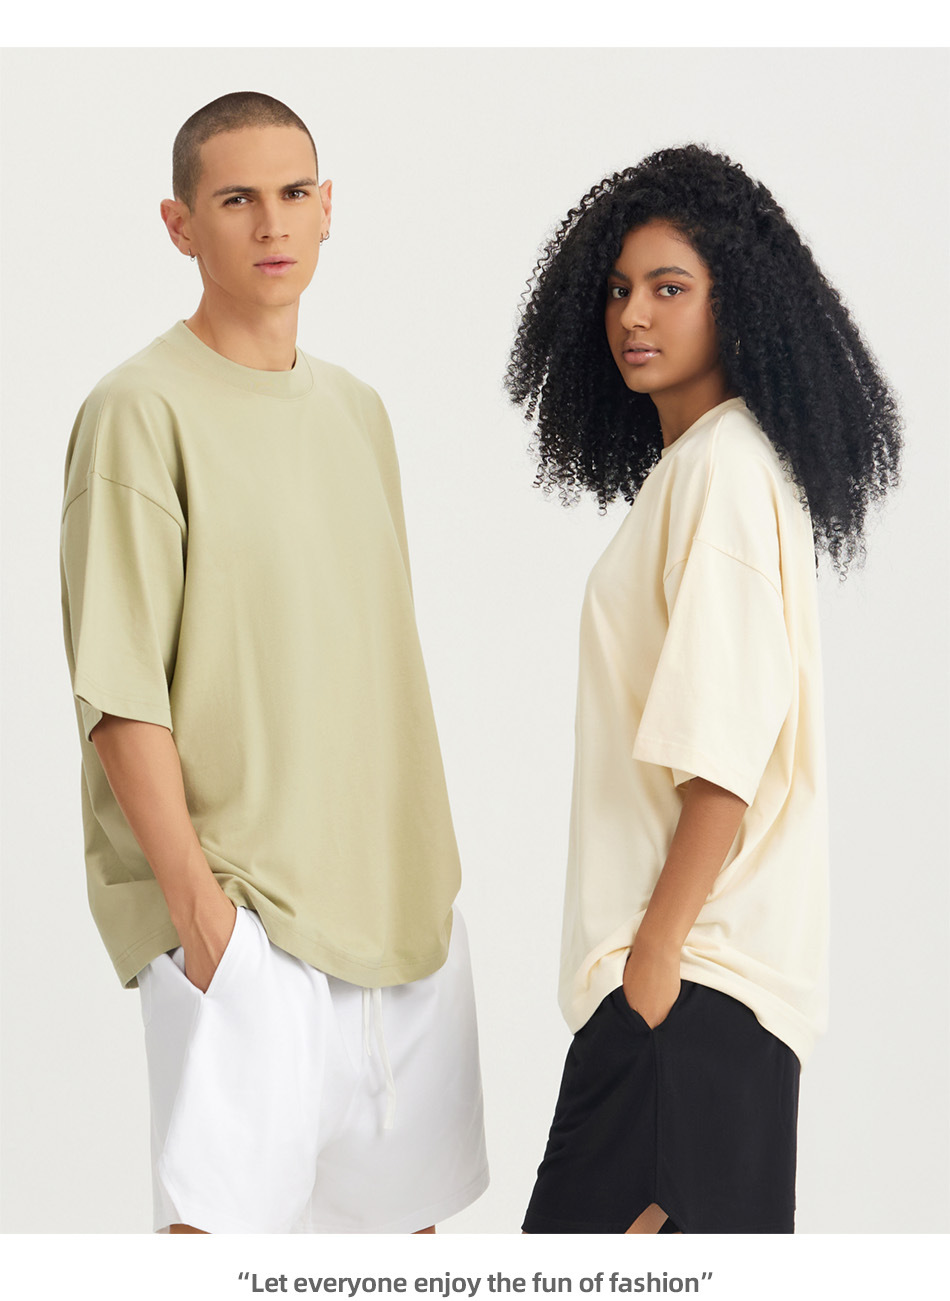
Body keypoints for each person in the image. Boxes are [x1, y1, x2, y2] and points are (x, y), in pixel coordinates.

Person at [60, 91, 488, 1235]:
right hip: (243, 918)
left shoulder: (360, 412)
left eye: (294, 193)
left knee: (400, 1287)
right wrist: (203, 924)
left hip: (399, 918)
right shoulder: (138, 411)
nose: (271, 224)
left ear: (328, 206)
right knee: (217, 1274)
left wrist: (427, 891)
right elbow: (119, 690)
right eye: (236, 199)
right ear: (179, 224)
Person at [506, 144, 901, 1234]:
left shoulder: (724, 470)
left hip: (685, 996)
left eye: (669, 288)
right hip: (709, 1001)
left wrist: (650, 970)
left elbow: (722, 758)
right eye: (618, 289)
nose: (633, 314)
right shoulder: (710, 469)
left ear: (739, 304)